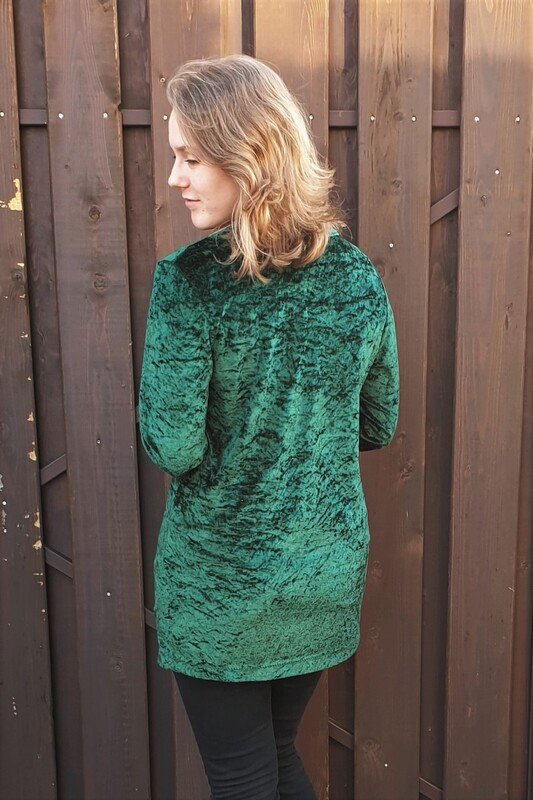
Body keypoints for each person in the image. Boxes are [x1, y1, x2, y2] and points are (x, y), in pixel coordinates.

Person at [138, 54, 400, 800]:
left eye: (191, 157)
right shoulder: (354, 276)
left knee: (242, 775)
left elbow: (171, 445)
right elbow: (377, 422)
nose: (175, 177)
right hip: (320, 571)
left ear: (247, 155)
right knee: (272, 760)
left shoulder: (189, 282)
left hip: (222, 583)